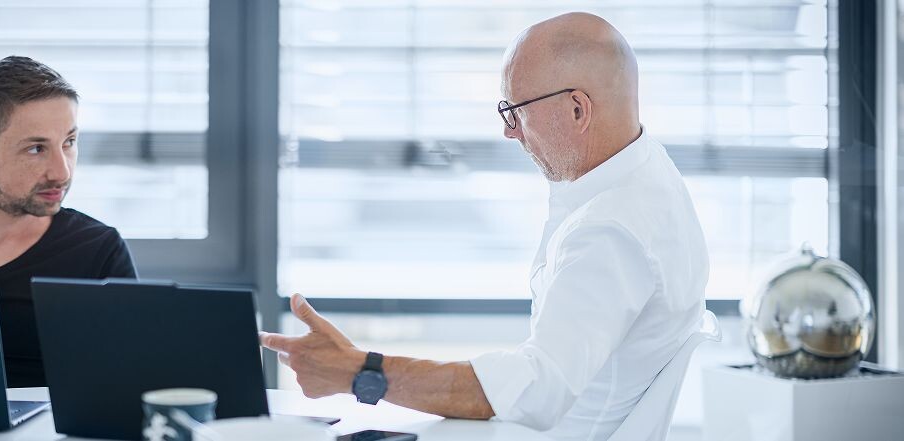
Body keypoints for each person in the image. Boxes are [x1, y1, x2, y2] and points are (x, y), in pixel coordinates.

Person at [259, 12, 709, 440]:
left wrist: (360, 371)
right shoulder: (648, 171)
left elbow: (538, 389)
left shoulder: (610, 231)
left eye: (516, 111)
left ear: (578, 110)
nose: (509, 132)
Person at [0, 56, 137, 387]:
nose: (61, 172)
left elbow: (126, 385)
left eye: (69, 143)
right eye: (36, 149)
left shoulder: (99, 250)